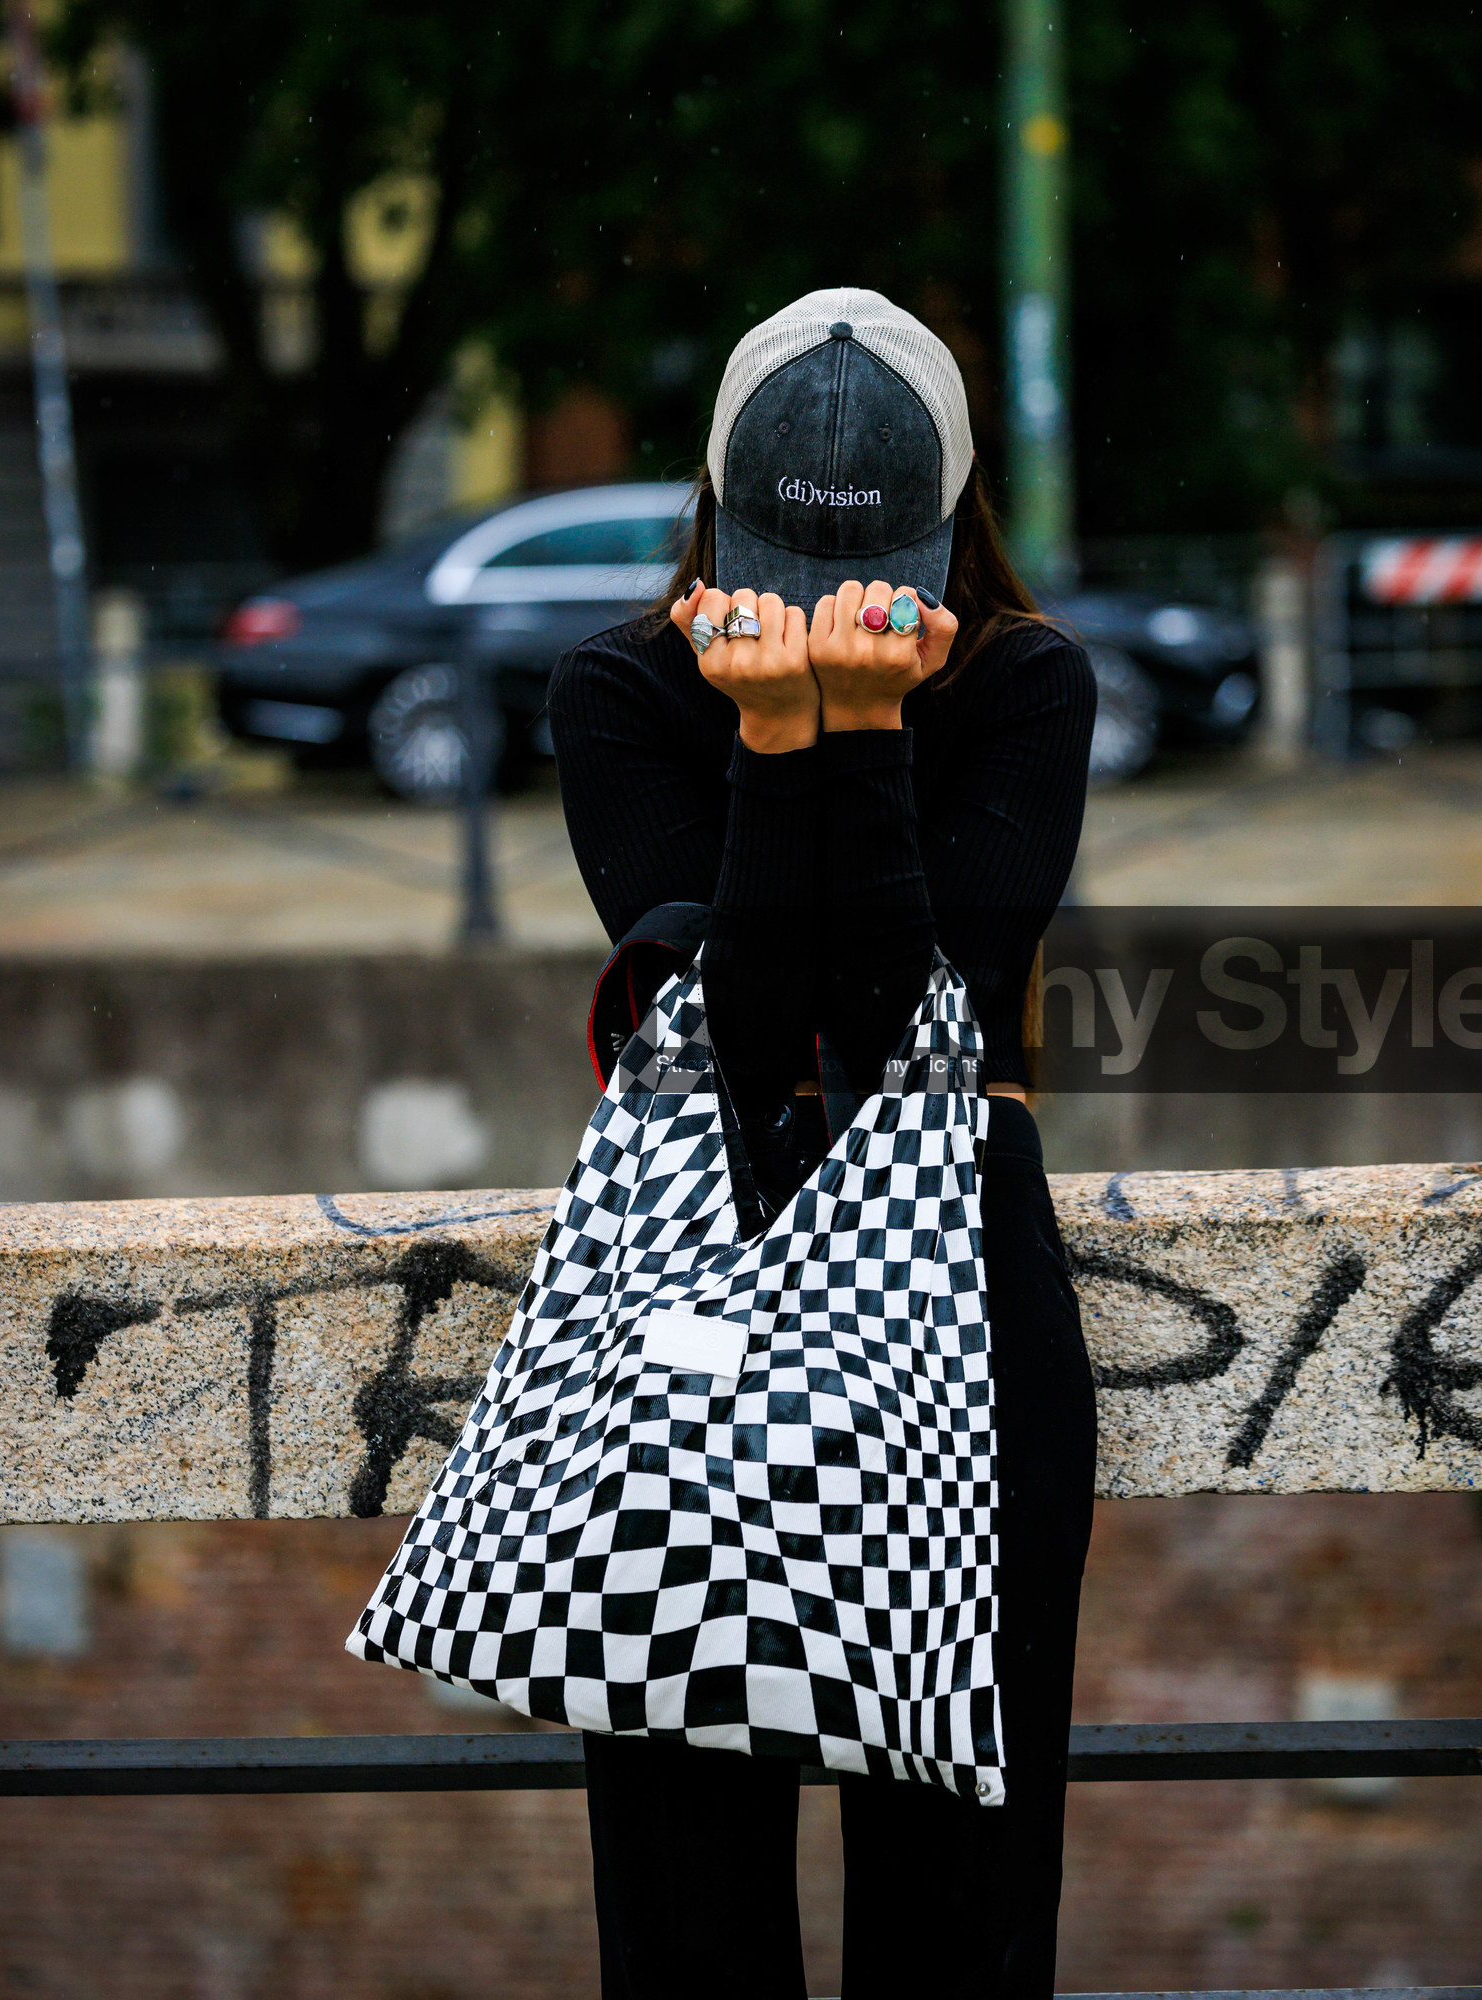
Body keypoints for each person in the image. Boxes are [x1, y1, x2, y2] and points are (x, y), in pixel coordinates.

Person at [548, 288, 1097, 2000]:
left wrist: (846, 734)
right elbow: (727, 1031)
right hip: (690, 1313)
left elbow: (898, 1011)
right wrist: (792, 739)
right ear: (715, 504)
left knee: (960, 1895)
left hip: (960, 1319)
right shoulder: (624, 694)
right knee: (686, 1886)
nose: (835, 611)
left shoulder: (1025, 687)